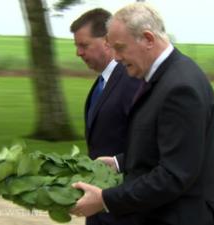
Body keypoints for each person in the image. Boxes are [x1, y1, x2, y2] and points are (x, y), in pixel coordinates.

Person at [71, 3, 214, 225]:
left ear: (148, 39)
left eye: (120, 48)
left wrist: (106, 200)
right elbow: (163, 146)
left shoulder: (180, 87)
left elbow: (174, 175)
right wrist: (120, 162)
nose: (117, 57)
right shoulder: (164, 76)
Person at [70, 8, 139, 225]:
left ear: (107, 41)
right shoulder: (103, 83)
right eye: (76, 46)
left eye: (84, 45)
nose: (78, 53)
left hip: (121, 209)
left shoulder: (130, 80)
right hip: (99, 204)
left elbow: (144, 144)